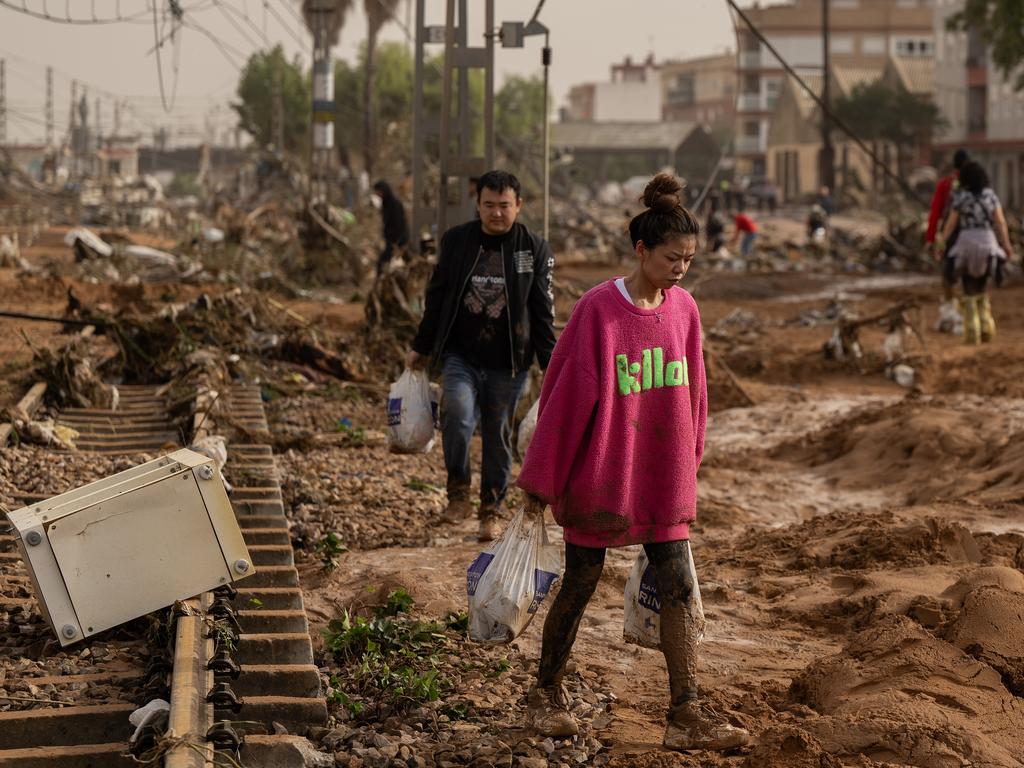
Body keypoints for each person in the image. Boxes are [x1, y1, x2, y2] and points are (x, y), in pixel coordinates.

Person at [517, 173, 751, 752]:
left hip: (661, 478)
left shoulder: (685, 311)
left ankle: (685, 712)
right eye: (672, 257)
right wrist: (541, 482)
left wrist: (690, 457)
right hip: (602, 476)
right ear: (642, 250)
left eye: (690, 260)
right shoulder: (599, 311)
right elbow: (564, 401)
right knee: (581, 580)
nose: (680, 269)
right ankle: (545, 691)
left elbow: (696, 390)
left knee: (677, 583)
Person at [407, 170, 556, 541]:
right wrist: (422, 347)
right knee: (456, 412)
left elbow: (542, 312)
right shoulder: (457, 242)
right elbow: (437, 298)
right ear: (478, 205)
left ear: (518, 206)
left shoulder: (532, 249)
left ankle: (490, 509)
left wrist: (551, 364)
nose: (496, 213)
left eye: (504, 206)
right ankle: (457, 493)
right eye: (488, 205)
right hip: (462, 356)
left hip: (510, 362)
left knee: (498, 435)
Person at [940, 161, 1015, 344]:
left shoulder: (961, 197)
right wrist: (1006, 245)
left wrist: (941, 244)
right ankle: (987, 327)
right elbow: (1000, 222)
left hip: (966, 243)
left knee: (968, 287)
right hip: (987, 242)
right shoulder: (990, 196)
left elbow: (950, 225)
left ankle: (972, 332)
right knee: (982, 286)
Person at [927, 148, 970, 302]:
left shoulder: (946, 184)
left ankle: (951, 305)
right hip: (974, 234)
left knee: (948, 274)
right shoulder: (976, 184)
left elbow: (935, 214)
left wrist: (931, 239)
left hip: (952, 235)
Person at [372, 180, 410, 276]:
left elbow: (399, 224)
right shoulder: (386, 203)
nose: (378, 195)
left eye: (378, 192)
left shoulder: (394, 204)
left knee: (385, 262)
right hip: (391, 239)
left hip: (397, 240)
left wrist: (397, 241)